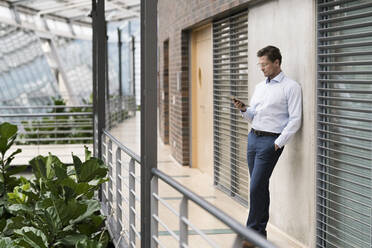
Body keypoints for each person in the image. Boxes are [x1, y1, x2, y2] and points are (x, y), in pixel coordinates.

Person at [233, 45, 302, 248]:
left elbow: (296, 120)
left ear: (276, 63)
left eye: (264, 65)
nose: (261, 68)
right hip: (253, 138)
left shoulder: (291, 87)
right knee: (259, 186)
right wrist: (244, 109)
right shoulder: (259, 87)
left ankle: (250, 233)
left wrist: (277, 144)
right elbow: (253, 114)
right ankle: (260, 234)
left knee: (255, 187)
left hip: (269, 143)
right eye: (260, 65)